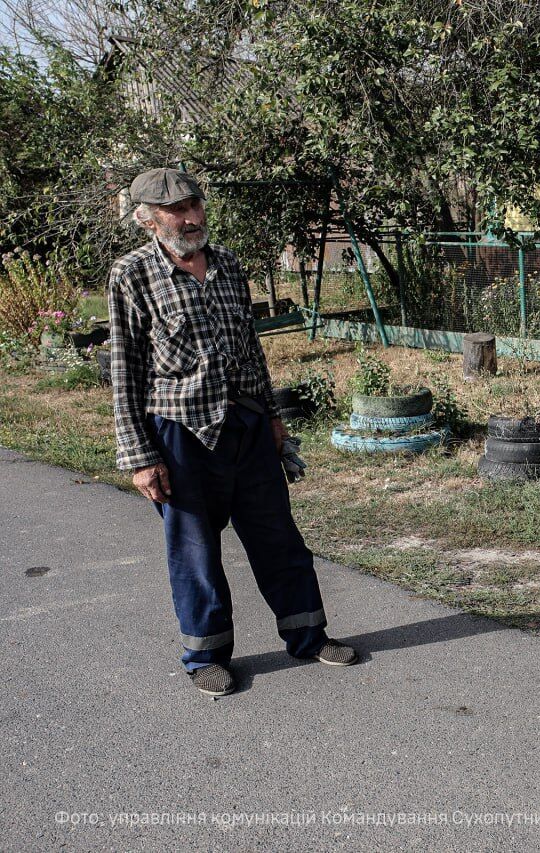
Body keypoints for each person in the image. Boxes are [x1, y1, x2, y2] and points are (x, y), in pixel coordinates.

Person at [108, 168, 357, 697]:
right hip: (179, 432)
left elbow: (250, 350)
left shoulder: (226, 265)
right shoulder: (131, 276)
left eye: (194, 204)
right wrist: (138, 456)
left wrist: (271, 417)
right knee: (195, 550)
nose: (191, 217)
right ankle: (206, 656)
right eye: (176, 210)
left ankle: (309, 635)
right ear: (146, 219)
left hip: (244, 423)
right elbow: (125, 372)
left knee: (278, 537)